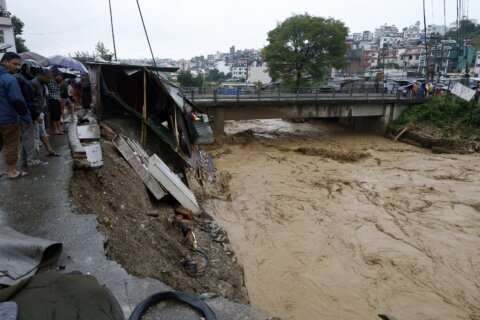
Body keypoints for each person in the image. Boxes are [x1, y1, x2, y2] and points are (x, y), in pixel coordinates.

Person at [0, 52, 32, 179]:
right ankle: (12, 171)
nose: (18, 67)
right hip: (8, 119)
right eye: (15, 64)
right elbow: (18, 101)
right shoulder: (10, 79)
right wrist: (27, 119)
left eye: (19, 65)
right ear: (5, 62)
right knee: (12, 144)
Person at [14, 59, 48, 167]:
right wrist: (36, 114)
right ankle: (33, 160)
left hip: (20, 114)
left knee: (26, 138)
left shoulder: (18, 78)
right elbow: (29, 101)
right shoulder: (25, 82)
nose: (35, 74)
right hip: (27, 114)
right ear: (28, 70)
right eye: (35, 71)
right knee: (32, 138)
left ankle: (25, 159)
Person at [30, 67, 60, 157]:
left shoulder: (42, 84)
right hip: (35, 114)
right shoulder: (33, 83)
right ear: (40, 75)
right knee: (34, 136)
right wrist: (36, 114)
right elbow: (31, 101)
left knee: (42, 132)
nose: (49, 80)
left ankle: (49, 150)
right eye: (47, 78)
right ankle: (33, 159)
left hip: (40, 112)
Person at [46, 66, 63, 135]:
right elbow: (52, 89)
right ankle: (55, 130)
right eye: (57, 72)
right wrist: (59, 85)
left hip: (57, 98)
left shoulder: (54, 79)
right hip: (52, 99)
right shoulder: (50, 79)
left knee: (58, 114)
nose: (58, 73)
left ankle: (59, 128)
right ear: (53, 72)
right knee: (54, 114)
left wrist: (58, 82)